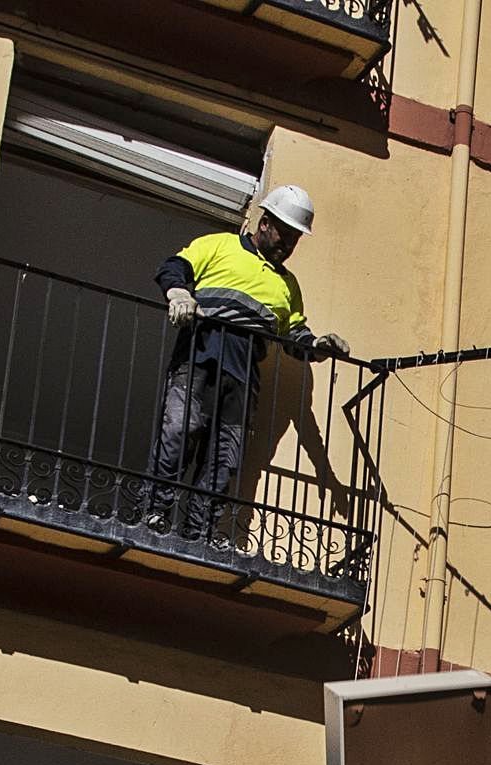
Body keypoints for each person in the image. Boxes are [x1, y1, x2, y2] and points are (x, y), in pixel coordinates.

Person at [146, 184, 349, 542]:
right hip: (199, 356)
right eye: (284, 234)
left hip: (241, 377)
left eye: (295, 239)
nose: (288, 245)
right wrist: (177, 291)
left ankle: (199, 532)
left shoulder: (288, 286)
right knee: (179, 432)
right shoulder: (219, 245)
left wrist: (319, 346)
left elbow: (294, 338)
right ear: (265, 223)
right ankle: (155, 513)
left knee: (224, 456)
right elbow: (174, 266)